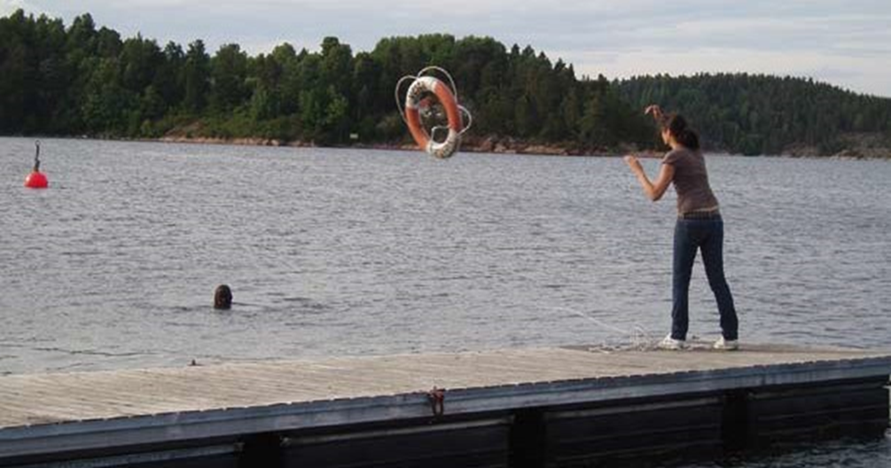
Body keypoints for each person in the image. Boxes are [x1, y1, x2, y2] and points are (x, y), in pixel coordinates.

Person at [624, 105, 739, 351]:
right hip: (714, 219)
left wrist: (638, 171)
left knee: (680, 280)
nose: (660, 136)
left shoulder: (673, 157)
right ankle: (730, 336)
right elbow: (673, 129)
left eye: (662, 132)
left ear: (668, 133)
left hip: (690, 221)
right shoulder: (695, 152)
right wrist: (660, 115)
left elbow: (654, 194)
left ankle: (677, 336)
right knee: (717, 279)